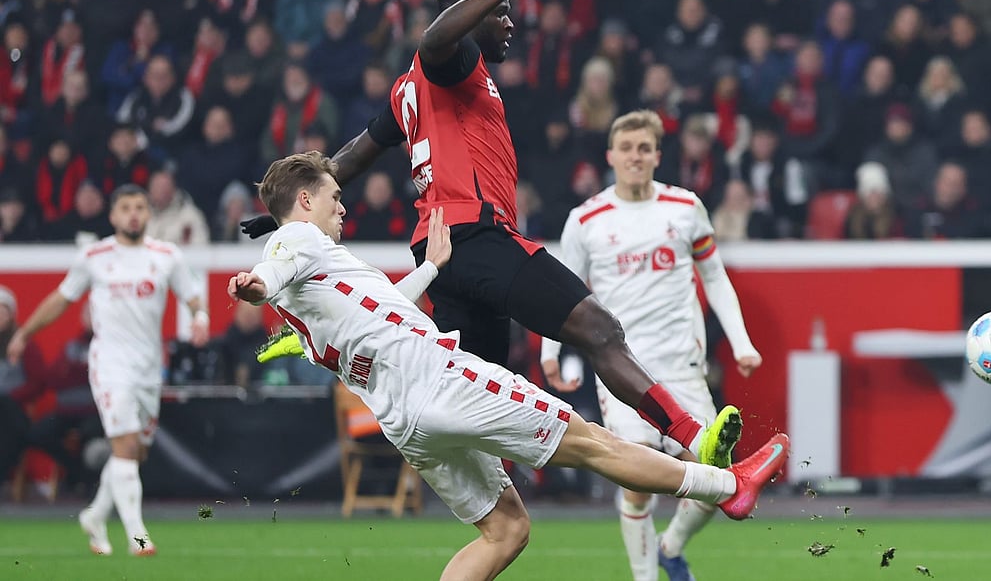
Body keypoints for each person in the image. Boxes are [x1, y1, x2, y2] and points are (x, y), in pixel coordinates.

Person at [241, 0, 743, 467]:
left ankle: (493, 499)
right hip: (475, 236)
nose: (509, 25)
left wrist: (284, 210)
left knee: (482, 399)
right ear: (471, 14)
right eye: (502, 15)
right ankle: (694, 437)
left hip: (439, 252)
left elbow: (351, 155)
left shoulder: (407, 89)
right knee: (600, 330)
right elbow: (433, 42)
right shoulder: (454, 61)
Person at [233, 152, 789, 580]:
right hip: (441, 380)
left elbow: (381, 312)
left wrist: (431, 268)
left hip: (404, 420)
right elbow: (274, 266)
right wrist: (256, 284)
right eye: (334, 196)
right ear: (304, 200)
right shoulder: (298, 239)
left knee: (506, 530)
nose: (342, 207)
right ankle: (727, 485)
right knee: (590, 441)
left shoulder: (310, 297)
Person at [539, 111, 763, 581]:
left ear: (658, 155)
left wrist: (741, 343)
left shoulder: (685, 207)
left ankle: (670, 546)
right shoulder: (586, 220)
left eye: (644, 148)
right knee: (637, 484)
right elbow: (558, 295)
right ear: (611, 156)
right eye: (626, 148)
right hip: (623, 371)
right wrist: (549, 354)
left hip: (683, 366)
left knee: (714, 477)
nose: (635, 157)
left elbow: (714, 277)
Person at [6, 184, 210, 557]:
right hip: (111, 364)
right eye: (125, 208)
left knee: (134, 453)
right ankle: (137, 537)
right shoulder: (94, 256)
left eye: (139, 207)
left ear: (148, 214)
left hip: (149, 367)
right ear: (113, 216)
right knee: (126, 446)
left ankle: (95, 515)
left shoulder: (167, 256)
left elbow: (192, 294)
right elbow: (61, 299)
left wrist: (200, 317)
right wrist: (24, 333)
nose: (133, 214)